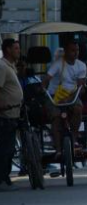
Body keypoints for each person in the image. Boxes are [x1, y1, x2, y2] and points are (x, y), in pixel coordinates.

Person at [42, 40, 86, 155]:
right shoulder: (57, 64)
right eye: (72, 50)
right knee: (56, 117)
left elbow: (81, 87)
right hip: (54, 96)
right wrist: (43, 88)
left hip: (72, 95)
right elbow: (46, 79)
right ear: (66, 51)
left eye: (77, 50)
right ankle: (58, 149)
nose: (75, 53)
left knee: (78, 110)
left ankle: (74, 139)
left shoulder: (81, 66)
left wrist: (69, 98)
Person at [0, 39, 22, 191]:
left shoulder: (11, 66)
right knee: (5, 148)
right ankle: (3, 178)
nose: (18, 51)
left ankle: (5, 177)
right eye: (16, 48)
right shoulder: (2, 66)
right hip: (5, 114)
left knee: (10, 148)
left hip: (14, 113)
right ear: (8, 50)